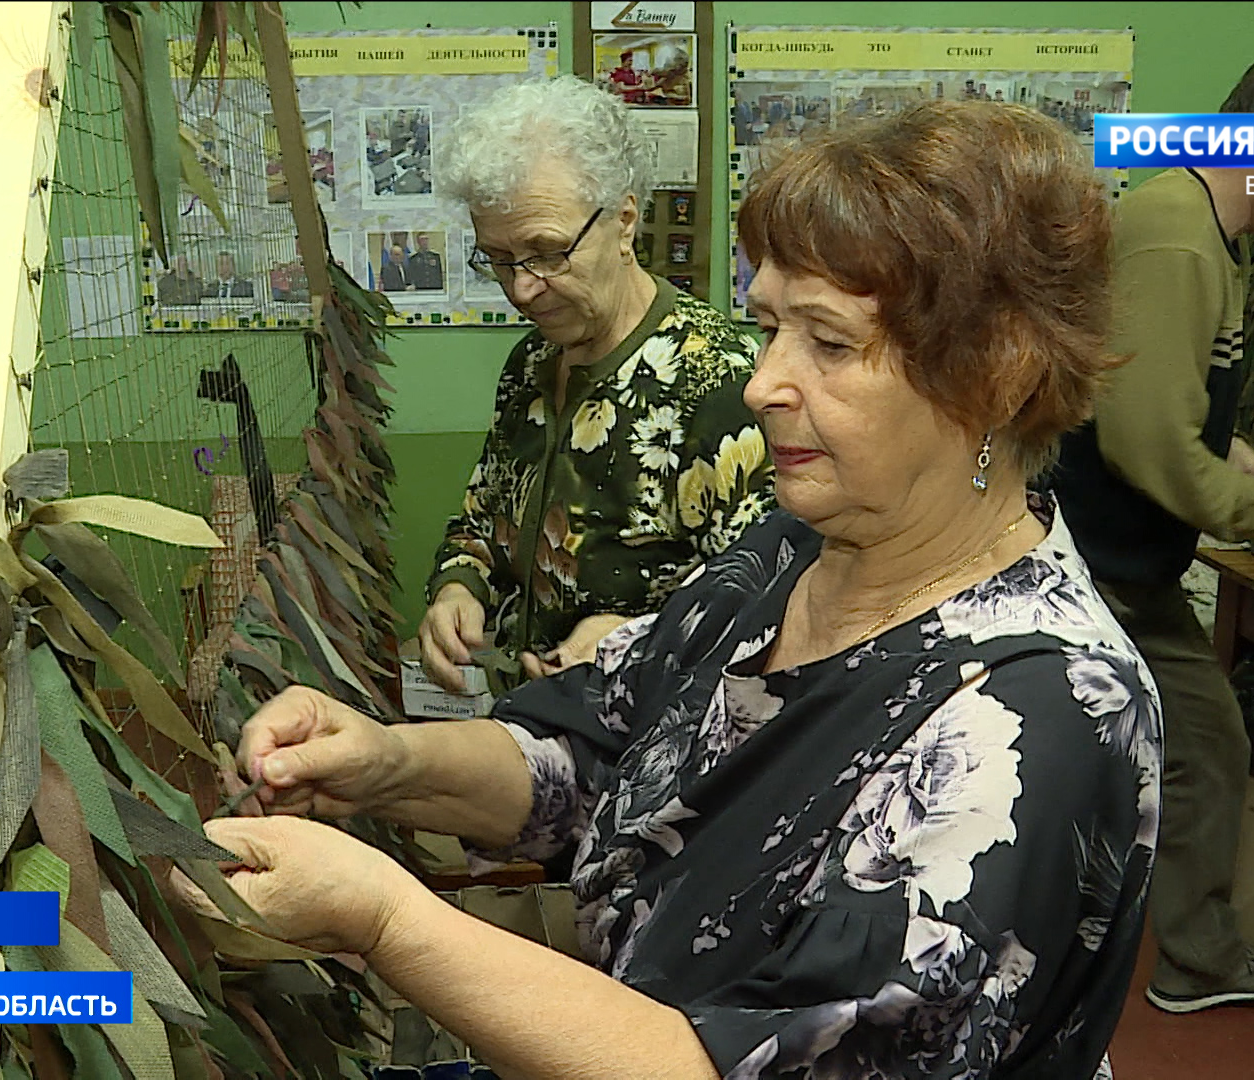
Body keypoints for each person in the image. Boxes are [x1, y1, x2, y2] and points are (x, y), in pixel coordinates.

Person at [186, 101, 1159, 1080]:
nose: (763, 382)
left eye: (827, 342)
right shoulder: (786, 556)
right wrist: (386, 763)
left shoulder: (1039, 719)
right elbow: (595, 750)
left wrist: (389, 918)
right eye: (770, 324)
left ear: (994, 374)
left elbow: (748, 1063)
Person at [1048, 47, 1254, 1015]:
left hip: (1112, 559)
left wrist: (1229, 449)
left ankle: (1181, 953)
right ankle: (1194, 962)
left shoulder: (1194, 221)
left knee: (1192, 746)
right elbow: (1145, 442)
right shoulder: (1179, 238)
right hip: (1093, 561)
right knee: (1204, 744)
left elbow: (1155, 395)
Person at [421, 76, 773, 693]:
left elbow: (772, 600)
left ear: (624, 221)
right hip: (529, 733)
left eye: (548, 252)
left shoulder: (719, 383)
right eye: (499, 259)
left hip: (647, 755)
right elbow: (481, 516)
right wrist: (459, 585)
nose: (522, 290)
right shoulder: (531, 362)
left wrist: (634, 637)